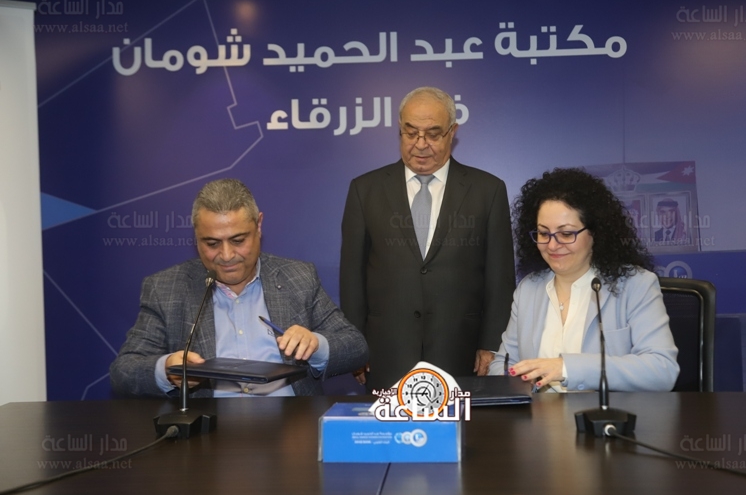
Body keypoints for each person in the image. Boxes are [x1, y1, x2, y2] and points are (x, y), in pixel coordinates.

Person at [110, 179, 368, 397]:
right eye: (212, 243)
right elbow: (124, 371)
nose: (226, 255)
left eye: (238, 240)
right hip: (208, 430)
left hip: (292, 426)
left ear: (258, 225)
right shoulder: (166, 288)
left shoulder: (298, 277)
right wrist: (167, 369)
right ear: (196, 237)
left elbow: (356, 347)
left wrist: (315, 344)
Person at [340, 86, 516, 392]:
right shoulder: (364, 190)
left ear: (452, 132)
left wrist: (491, 343)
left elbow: (499, 276)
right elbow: (352, 277)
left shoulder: (487, 191)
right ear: (400, 129)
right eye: (411, 133)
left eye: (433, 134)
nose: (420, 144)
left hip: (460, 351)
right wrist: (355, 345)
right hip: (385, 354)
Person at [488, 168, 679, 392]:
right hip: (539, 413)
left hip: (606, 413)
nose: (552, 245)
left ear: (595, 233)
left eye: (566, 234)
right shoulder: (528, 289)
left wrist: (565, 368)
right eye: (543, 233)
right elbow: (503, 363)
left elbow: (662, 370)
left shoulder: (636, 285)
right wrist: (512, 382)